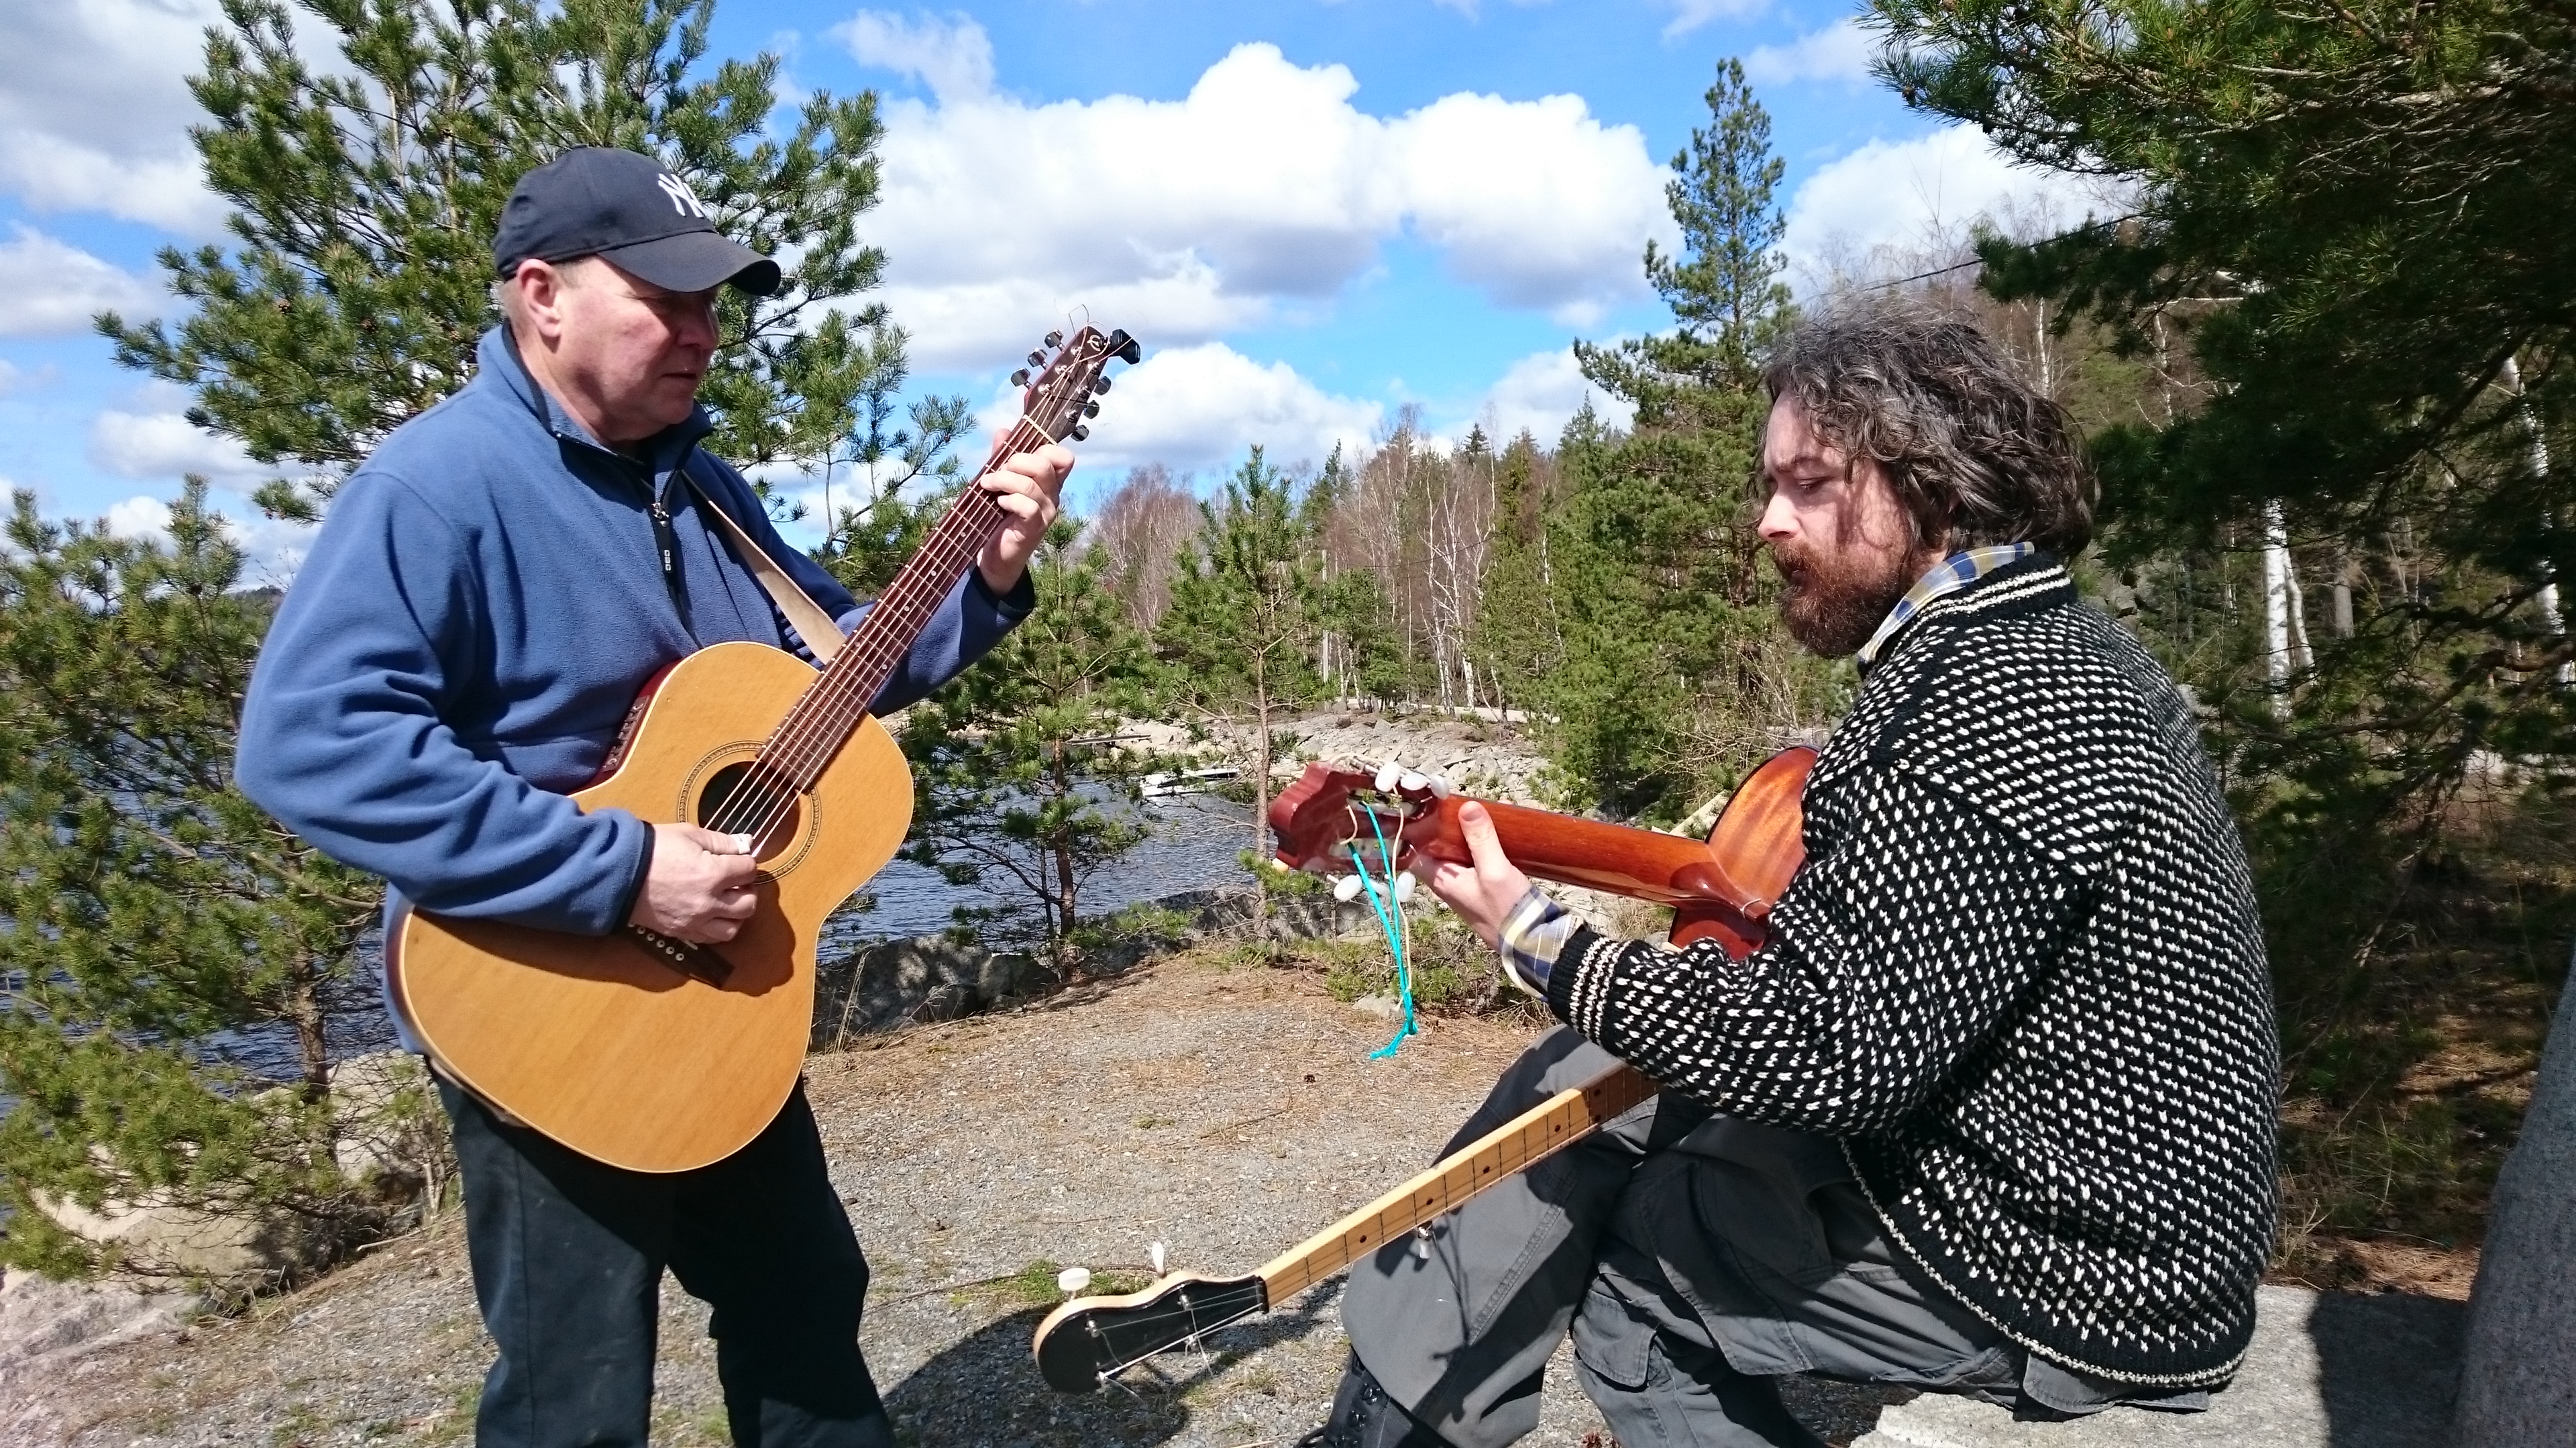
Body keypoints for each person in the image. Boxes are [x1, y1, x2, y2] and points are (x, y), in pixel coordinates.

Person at [1308, 308, 2279, 1448]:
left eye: (1810, 482)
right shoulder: (2050, 644)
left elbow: (1834, 1053)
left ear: (1939, 489)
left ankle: (1388, 1423)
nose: (1768, 521)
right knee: (1610, 1082)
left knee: (1640, 1284)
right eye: (1771, 484)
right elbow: (1876, 983)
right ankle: (1393, 1415)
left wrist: (1539, 938)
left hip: (2089, 1271)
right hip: (2095, 1200)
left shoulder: (1981, 698)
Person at [234, 147, 1071, 1448]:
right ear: (541, 297)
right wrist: (622, 870)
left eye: (714, 305)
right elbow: (308, 745)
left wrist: (990, 576)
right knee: (577, 1387)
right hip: (545, 1007)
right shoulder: (435, 489)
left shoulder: (703, 486)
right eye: (665, 300)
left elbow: (828, 683)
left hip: (719, 999)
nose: (701, 334)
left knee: (804, 1298)